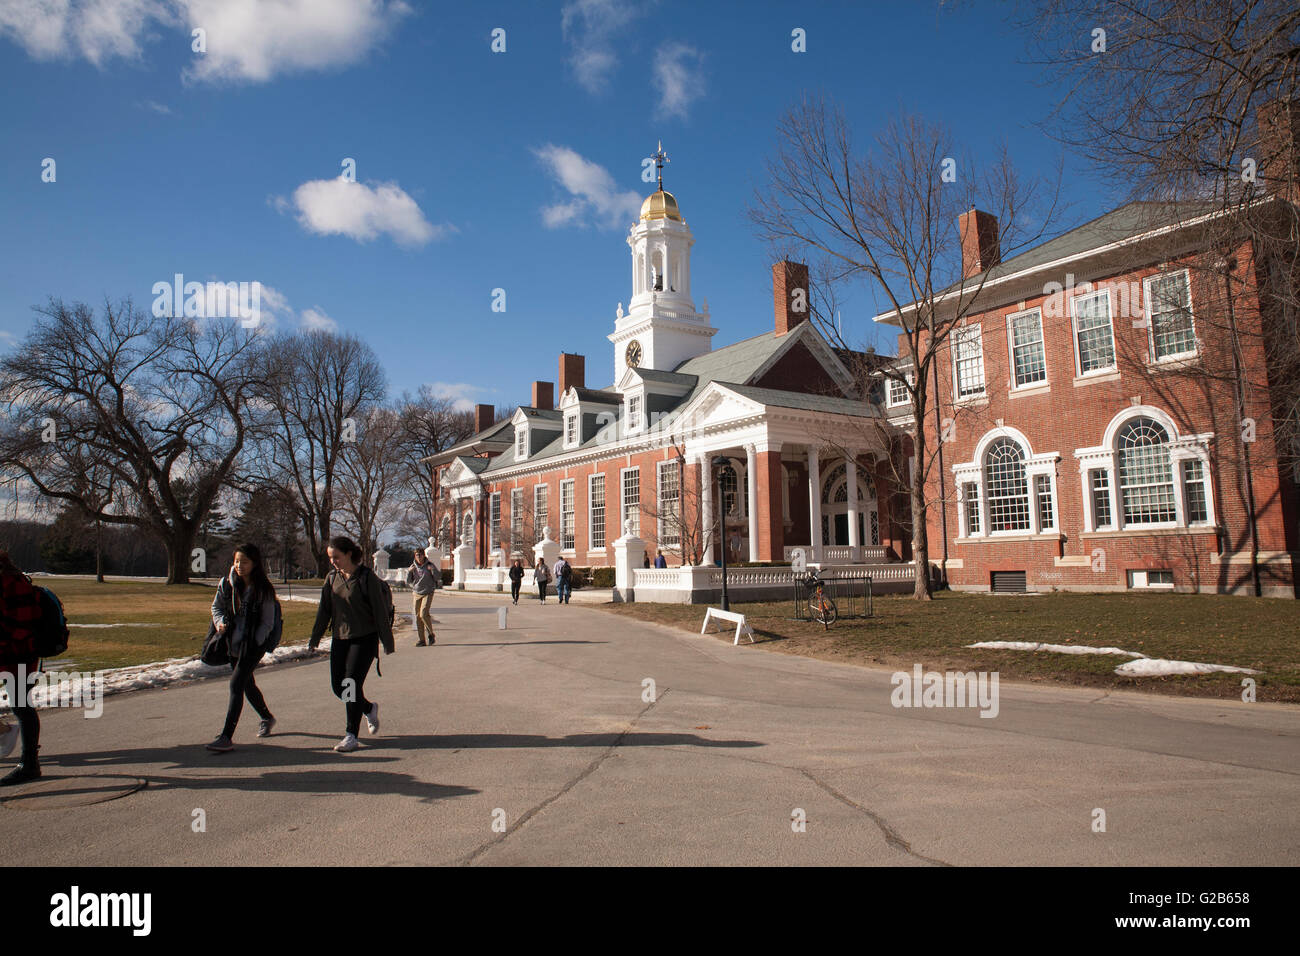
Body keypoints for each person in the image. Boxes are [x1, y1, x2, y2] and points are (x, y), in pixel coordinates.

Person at [308, 536, 394, 753]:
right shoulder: (331, 579)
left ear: (348, 554)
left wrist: (387, 641)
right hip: (340, 638)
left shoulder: (366, 578)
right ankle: (367, 707)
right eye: (330, 558)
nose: (333, 561)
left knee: (351, 684)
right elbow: (324, 611)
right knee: (339, 687)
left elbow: (380, 612)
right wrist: (315, 637)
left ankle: (350, 734)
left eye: (336, 557)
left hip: (364, 638)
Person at [205, 544, 279, 753]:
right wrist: (220, 623)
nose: (240, 566)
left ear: (255, 564)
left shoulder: (264, 589)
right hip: (231, 642)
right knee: (247, 685)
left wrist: (257, 641)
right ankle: (267, 717)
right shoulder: (226, 584)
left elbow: (268, 621)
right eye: (237, 561)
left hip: (253, 645)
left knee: (236, 684)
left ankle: (227, 736)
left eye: (245, 562)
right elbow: (216, 607)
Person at [0, 550, 42, 785]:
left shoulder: (12, 581)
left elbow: (21, 624)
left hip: (20, 655)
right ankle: (6, 734)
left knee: (21, 706)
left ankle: (29, 764)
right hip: (10, 653)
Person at [406, 549, 438, 647]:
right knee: (417, 617)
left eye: (420, 555)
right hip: (416, 593)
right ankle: (422, 640)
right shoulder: (413, 567)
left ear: (424, 556)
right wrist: (409, 572)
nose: (419, 557)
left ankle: (431, 634)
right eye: (417, 555)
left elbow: (437, 577)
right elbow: (408, 581)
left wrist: (432, 570)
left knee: (423, 614)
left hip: (428, 592)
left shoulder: (430, 565)